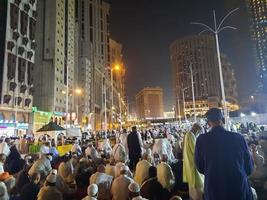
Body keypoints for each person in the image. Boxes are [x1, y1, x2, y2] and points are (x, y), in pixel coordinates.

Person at [195, 108, 254, 200]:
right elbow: (249, 167)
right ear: (222, 120)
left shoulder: (202, 140)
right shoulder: (238, 138)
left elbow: (200, 167)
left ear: (208, 123)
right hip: (238, 188)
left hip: (214, 189)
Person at [183, 123, 204, 200]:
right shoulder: (191, 135)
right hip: (193, 165)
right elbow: (195, 150)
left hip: (190, 164)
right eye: (199, 132)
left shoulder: (188, 135)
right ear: (196, 130)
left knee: (193, 188)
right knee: (197, 190)